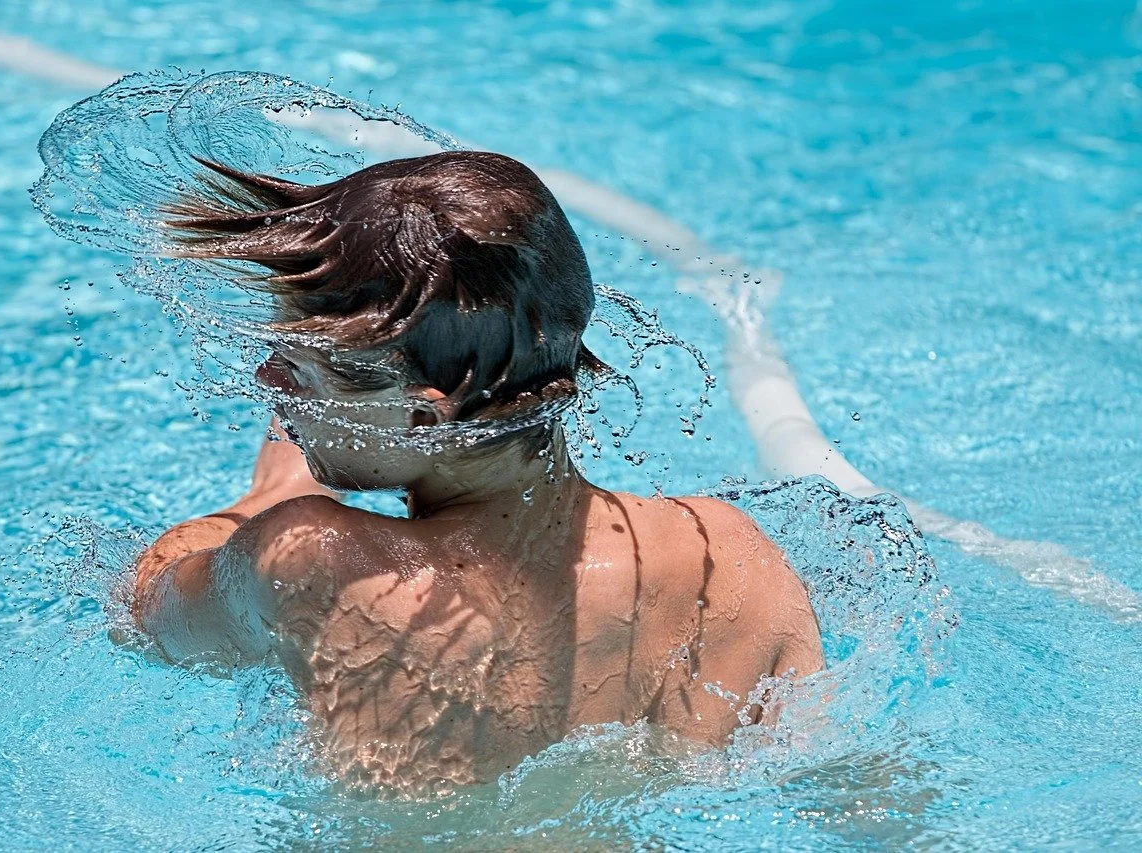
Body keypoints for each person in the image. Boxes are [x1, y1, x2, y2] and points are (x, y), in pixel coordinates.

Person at [131, 151, 822, 791]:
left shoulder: (317, 561)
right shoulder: (728, 556)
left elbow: (145, 610)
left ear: (424, 420)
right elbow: (844, 780)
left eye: (300, 371)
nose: (268, 382)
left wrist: (274, 494)